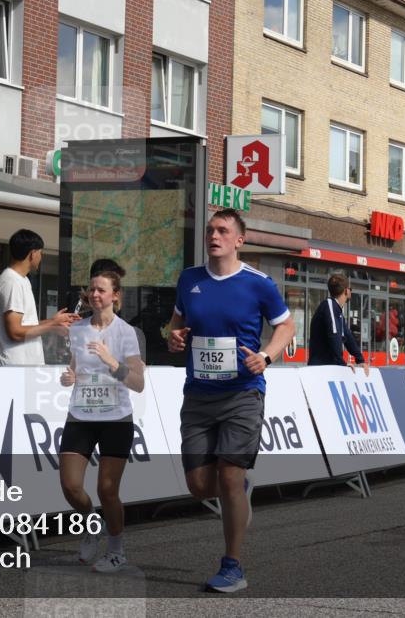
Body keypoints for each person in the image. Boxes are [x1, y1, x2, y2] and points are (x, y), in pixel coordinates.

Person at [166, 209, 295, 593]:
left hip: (243, 393)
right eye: (210, 230)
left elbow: (286, 326)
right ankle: (239, 487)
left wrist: (266, 356)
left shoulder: (258, 283)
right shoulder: (189, 279)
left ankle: (232, 566)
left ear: (239, 240)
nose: (214, 236)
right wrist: (174, 337)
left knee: (229, 477)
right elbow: (176, 323)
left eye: (223, 230)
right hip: (199, 394)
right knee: (199, 486)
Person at [58, 270, 144, 573]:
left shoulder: (126, 333)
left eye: (102, 290)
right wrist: (69, 376)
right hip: (81, 415)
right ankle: (92, 523)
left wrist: (111, 361)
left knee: (107, 490)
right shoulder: (77, 329)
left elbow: (138, 383)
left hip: (116, 418)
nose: (95, 294)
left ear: (115, 295)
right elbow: (75, 365)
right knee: (70, 486)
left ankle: (117, 552)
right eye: (92, 289)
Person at [0, 229, 79, 366]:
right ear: (33, 254)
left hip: (23, 368)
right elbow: (15, 332)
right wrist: (52, 325)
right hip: (14, 368)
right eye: (40, 253)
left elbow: (24, 325)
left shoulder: (21, 280)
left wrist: (54, 322)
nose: (41, 258)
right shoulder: (12, 282)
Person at [307, 273, 369, 375]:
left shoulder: (337, 310)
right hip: (321, 369)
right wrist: (341, 364)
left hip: (329, 367)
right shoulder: (329, 305)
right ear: (346, 291)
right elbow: (334, 335)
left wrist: (360, 360)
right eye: (350, 289)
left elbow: (348, 337)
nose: (350, 291)